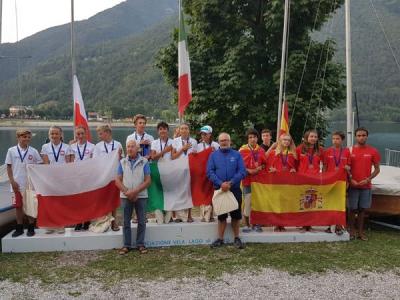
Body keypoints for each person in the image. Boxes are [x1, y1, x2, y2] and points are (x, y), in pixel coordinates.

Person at [207, 133, 246, 249]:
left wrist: (231, 182)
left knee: (236, 215)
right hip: (220, 190)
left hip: (234, 189)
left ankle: (237, 238)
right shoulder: (213, 156)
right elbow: (209, 172)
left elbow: (242, 171)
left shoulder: (237, 155)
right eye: (222, 140)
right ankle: (220, 239)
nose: (224, 142)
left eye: (226, 140)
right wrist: (221, 184)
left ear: (230, 141)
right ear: (218, 142)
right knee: (221, 216)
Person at [115, 139, 151, 255]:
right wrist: (128, 192)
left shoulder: (144, 161)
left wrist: (135, 191)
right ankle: (126, 245)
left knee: (141, 221)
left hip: (141, 196)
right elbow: (117, 181)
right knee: (126, 222)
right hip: (126, 196)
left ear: (137, 148)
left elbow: (148, 180)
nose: (129, 149)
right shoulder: (122, 162)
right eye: (128, 147)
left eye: (132, 146)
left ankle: (140, 244)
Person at [5, 129, 42, 237]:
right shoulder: (11, 150)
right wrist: (12, 181)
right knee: (18, 207)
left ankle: (31, 227)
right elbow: (8, 167)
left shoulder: (33, 151)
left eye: (28, 137)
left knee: (30, 205)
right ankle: (19, 228)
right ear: (18, 137)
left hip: (30, 184)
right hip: (17, 184)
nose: (26, 139)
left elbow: (39, 165)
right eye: (24, 137)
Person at [348, 127, 380, 241]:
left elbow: (377, 169)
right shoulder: (349, 151)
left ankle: (360, 232)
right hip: (353, 185)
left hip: (366, 186)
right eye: (359, 135)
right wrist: (350, 179)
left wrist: (368, 179)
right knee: (352, 209)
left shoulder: (373, 151)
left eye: (363, 135)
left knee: (362, 209)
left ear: (367, 136)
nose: (361, 137)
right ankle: (351, 231)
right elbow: (346, 169)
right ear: (355, 137)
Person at [41, 126, 72, 234]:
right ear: (49, 135)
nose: (54, 136)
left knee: (60, 202)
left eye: (56, 134)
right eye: (52, 134)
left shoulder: (67, 147)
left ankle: (60, 225)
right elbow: (46, 164)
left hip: (62, 179)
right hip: (50, 179)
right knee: (50, 202)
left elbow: (68, 164)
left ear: (60, 135)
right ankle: (50, 225)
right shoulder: (45, 147)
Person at [93, 124, 124, 231]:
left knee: (114, 199)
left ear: (108, 133)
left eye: (101, 133)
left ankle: (114, 222)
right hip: (103, 176)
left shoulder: (118, 144)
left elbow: (122, 160)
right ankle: (105, 222)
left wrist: (120, 157)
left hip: (114, 176)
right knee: (104, 199)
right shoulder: (98, 146)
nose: (99, 136)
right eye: (99, 134)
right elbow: (95, 162)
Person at [323, 131, 351, 235]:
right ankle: (329, 225)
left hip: (342, 182)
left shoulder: (347, 151)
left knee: (340, 204)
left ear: (342, 140)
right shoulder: (328, 151)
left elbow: (349, 166)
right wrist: (324, 180)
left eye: (337, 139)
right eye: (333, 138)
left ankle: (339, 225)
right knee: (330, 203)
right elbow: (325, 167)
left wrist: (348, 169)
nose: (335, 141)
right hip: (330, 182)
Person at [267, 133, 297, 232]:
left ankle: (282, 224)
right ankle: (276, 224)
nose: (286, 142)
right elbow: (268, 167)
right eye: (284, 140)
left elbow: (295, 167)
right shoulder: (273, 153)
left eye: (288, 140)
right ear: (280, 141)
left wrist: (293, 170)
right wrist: (273, 170)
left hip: (287, 183)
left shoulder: (293, 154)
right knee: (276, 203)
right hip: (276, 183)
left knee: (284, 204)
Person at [239, 129, 267, 233]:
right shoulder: (242, 150)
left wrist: (260, 168)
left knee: (258, 202)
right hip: (247, 180)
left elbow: (265, 164)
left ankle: (257, 224)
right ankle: (247, 224)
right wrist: (248, 170)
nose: (252, 139)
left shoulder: (261, 150)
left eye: (254, 137)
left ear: (257, 138)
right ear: (247, 139)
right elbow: (239, 165)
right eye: (250, 137)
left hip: (258, 182)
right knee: (247, 202)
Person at [296, 129, 324, 232]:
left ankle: (310, 224)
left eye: (315, 137)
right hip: (302, 180)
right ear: (307, 137)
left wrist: (323, 176)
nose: (313, 139)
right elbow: (295, 163)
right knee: (303, 202)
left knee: (312, 202)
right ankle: (303, 224)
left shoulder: (320, 150)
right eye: (311, 136)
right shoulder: (299, 149)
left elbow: (324, 164)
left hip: (315, 180)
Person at [68, 125, 95, 231]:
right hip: (76, 177)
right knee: (77, 201)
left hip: (88, 177)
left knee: (87, 200)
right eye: (78, 134)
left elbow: (94, 163)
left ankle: (87, 221)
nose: (80, 136)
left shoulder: (92, 146)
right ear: (75, 135)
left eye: (82, 133)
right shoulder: (72, 147)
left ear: (86, 134)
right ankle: (78, 221)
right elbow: (70, 162)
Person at [172, 122, 198, 222]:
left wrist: (196, 155)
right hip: (178, 169)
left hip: (190, 170)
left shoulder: (194, 141)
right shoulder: (175, 141)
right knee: (179, 192)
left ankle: (189, 215)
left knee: (189, 192)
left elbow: (196, 157)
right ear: (179, 130)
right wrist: (183, 149)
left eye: (186, 128)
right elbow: (173, 157)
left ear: (189, 130)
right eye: (182, 128)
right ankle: (179, 216)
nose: (184, 130)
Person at [150, 121, 174, 224]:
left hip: (170, 172)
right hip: (158, 172)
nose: (162, 131)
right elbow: (153, 157)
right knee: (158, 194)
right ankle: (159, 216)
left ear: (168, 131)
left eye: (164, 129)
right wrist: (165, 151)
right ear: (158, 131)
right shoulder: (154, 143)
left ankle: (168, 217)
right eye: (160, 129)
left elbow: (174, 157)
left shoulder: (173, 142)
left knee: (169, 194)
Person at [196, 125, 219, 222]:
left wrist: (214, 153)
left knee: (212, 193)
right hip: (202, 173)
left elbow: (219, 158)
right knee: (203, 193)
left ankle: (211, 215)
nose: (203, 136)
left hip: (213, 173)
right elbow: (196, 159)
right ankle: (203, 216)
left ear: (210, 134)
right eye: (202, 134)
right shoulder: (198, 146)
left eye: (205, 134)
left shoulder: (216, 145)